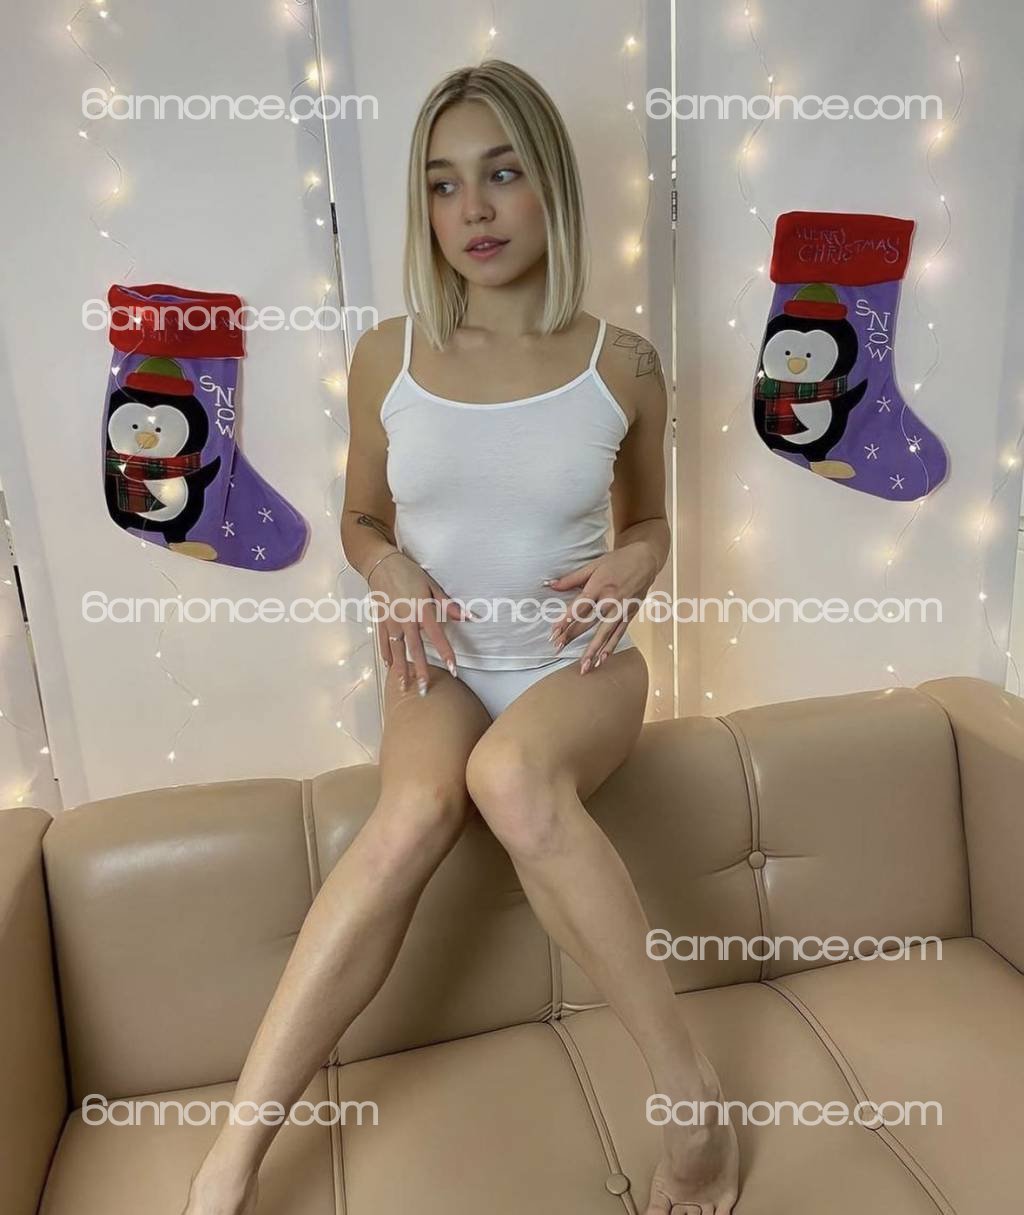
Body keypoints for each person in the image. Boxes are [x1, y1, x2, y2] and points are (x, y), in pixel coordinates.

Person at [183, 59, 739, 1215]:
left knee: (512, 778)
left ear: (552, 187)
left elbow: (647, 520)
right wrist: (386, 567)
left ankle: (690, 1103)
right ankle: (228, 1161)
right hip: (436, 665)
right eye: (441, 184)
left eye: (500, 173)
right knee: (409, 817)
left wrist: (641, 557)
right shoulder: (387, 356)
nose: (472, 210)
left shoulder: (624, 362)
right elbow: (360, 518)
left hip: (579, 666)